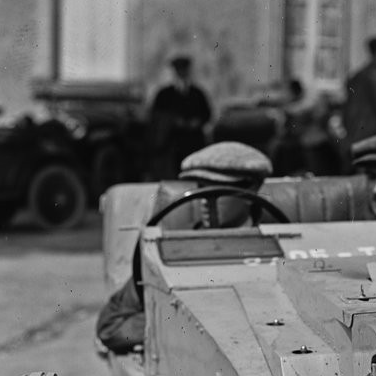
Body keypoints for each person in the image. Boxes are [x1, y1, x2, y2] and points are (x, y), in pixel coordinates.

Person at [96, 142, 273, 354]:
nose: (205, 202)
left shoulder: (282, 243)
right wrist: (175, 325)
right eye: (200, 188)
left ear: (251, 190)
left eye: (218, 191)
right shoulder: (172, 251)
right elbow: (111, 326)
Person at [148, 56, 213, 181]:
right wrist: (174, 122)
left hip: (193, 142)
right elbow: (157, 116)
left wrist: (197, 122)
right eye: (179, 69)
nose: (182, 72)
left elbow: (207, 113)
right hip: (173, 144)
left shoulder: (197, 93)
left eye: (184, 69)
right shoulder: (164, 94)